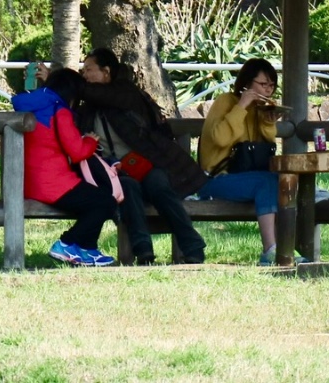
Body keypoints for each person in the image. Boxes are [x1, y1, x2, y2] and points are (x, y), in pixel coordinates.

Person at [72, 48, 207, 265]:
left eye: (89, 70)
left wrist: (71, 83)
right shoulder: (87, 108)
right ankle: (143, 251)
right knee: (128, 189)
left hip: (147, 163)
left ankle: (193, 246)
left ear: (106, 72)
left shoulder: (125, 93)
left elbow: (100, 94)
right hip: (114, 172)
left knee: (159, 186)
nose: (84, 75)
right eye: (82, 71)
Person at [12, 67, 122, 266]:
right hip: (53, 184)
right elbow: (77, 151)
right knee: (106, 202)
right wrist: (89, 141)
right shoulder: (58, 110)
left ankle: (88, 250)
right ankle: (67, 243)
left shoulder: (30, 105)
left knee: (96, 199)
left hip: (27, 182)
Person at [195, 57, 283, 264]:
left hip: (248, 177)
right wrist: (242, 105)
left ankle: (284, 248)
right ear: (247, 82)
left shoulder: (261, 107)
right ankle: (271, 250)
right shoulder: (227, 101)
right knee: (266, 183)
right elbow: (220, 138)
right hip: (215, 179)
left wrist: (268, 122)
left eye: (271, 85)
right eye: (263, 84)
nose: (268, 90)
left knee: (284, 182)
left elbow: (265, 147)